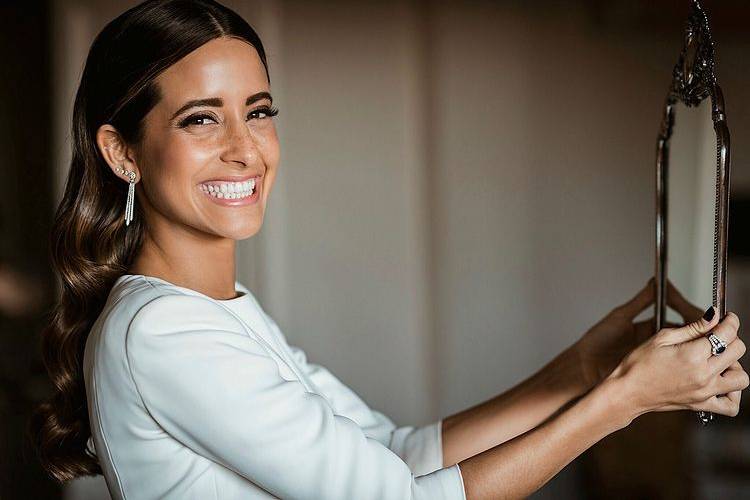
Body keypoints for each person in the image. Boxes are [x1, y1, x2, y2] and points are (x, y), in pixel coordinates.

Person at [28, 0, 748, 499]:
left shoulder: (221, 315)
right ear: (123, 151)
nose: (245, 150)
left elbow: (393, 454)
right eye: (200, 120)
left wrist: (583, 372)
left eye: (258, 112)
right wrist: (622, 402)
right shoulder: (162, 333)